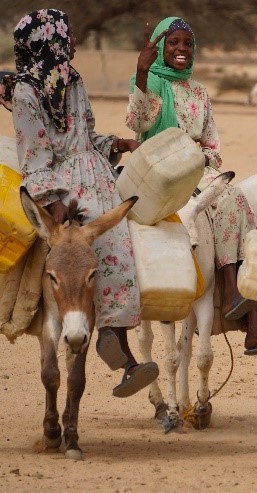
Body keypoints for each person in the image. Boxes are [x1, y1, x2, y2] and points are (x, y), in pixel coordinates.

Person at [2, 9, 158, 397]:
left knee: (121, 253)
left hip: (97, 177)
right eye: (65, 38)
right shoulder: (25, 92)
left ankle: (111, 336)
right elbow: (35, 155)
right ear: (47, 42)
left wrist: (118, 144)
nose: (71, 44)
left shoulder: (72, 80)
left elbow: (84, 137)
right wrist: (54, 204)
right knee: (73, 260)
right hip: (58, 186)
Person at [125, 16, 257, 356]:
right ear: (160, 47)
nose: (181, 49)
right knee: (210, 206)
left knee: (235, 199)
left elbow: (212, 144)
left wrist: (202, 160)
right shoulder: (149, 84)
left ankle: (249, 318)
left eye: (187, 44)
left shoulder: (199, 92)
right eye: (173, 43)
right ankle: (234, 299)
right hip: (160, 171)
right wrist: (141, 73)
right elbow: (137, 123)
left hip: (197, 169)